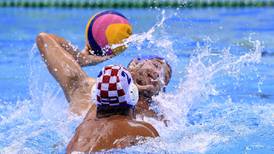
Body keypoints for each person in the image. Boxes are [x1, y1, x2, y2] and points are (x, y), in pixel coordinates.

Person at [66, 65, 159, 153]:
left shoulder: (87, 123)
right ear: (133, 94)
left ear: (95, 94)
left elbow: (104, 96)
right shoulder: (143, 130)